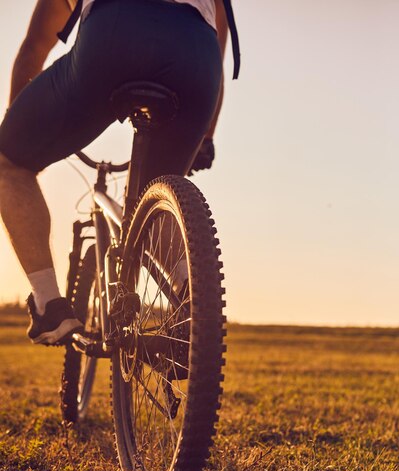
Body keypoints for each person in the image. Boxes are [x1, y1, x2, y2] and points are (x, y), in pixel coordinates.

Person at [0, 0, 231, 345]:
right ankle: (194, 308)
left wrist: (19, 131)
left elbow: (35, 46)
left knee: (7, 165)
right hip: (197, 58)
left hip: (114, 36)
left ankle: (49, 303)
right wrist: (206, 138)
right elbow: (216, 43)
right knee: (153, 199)